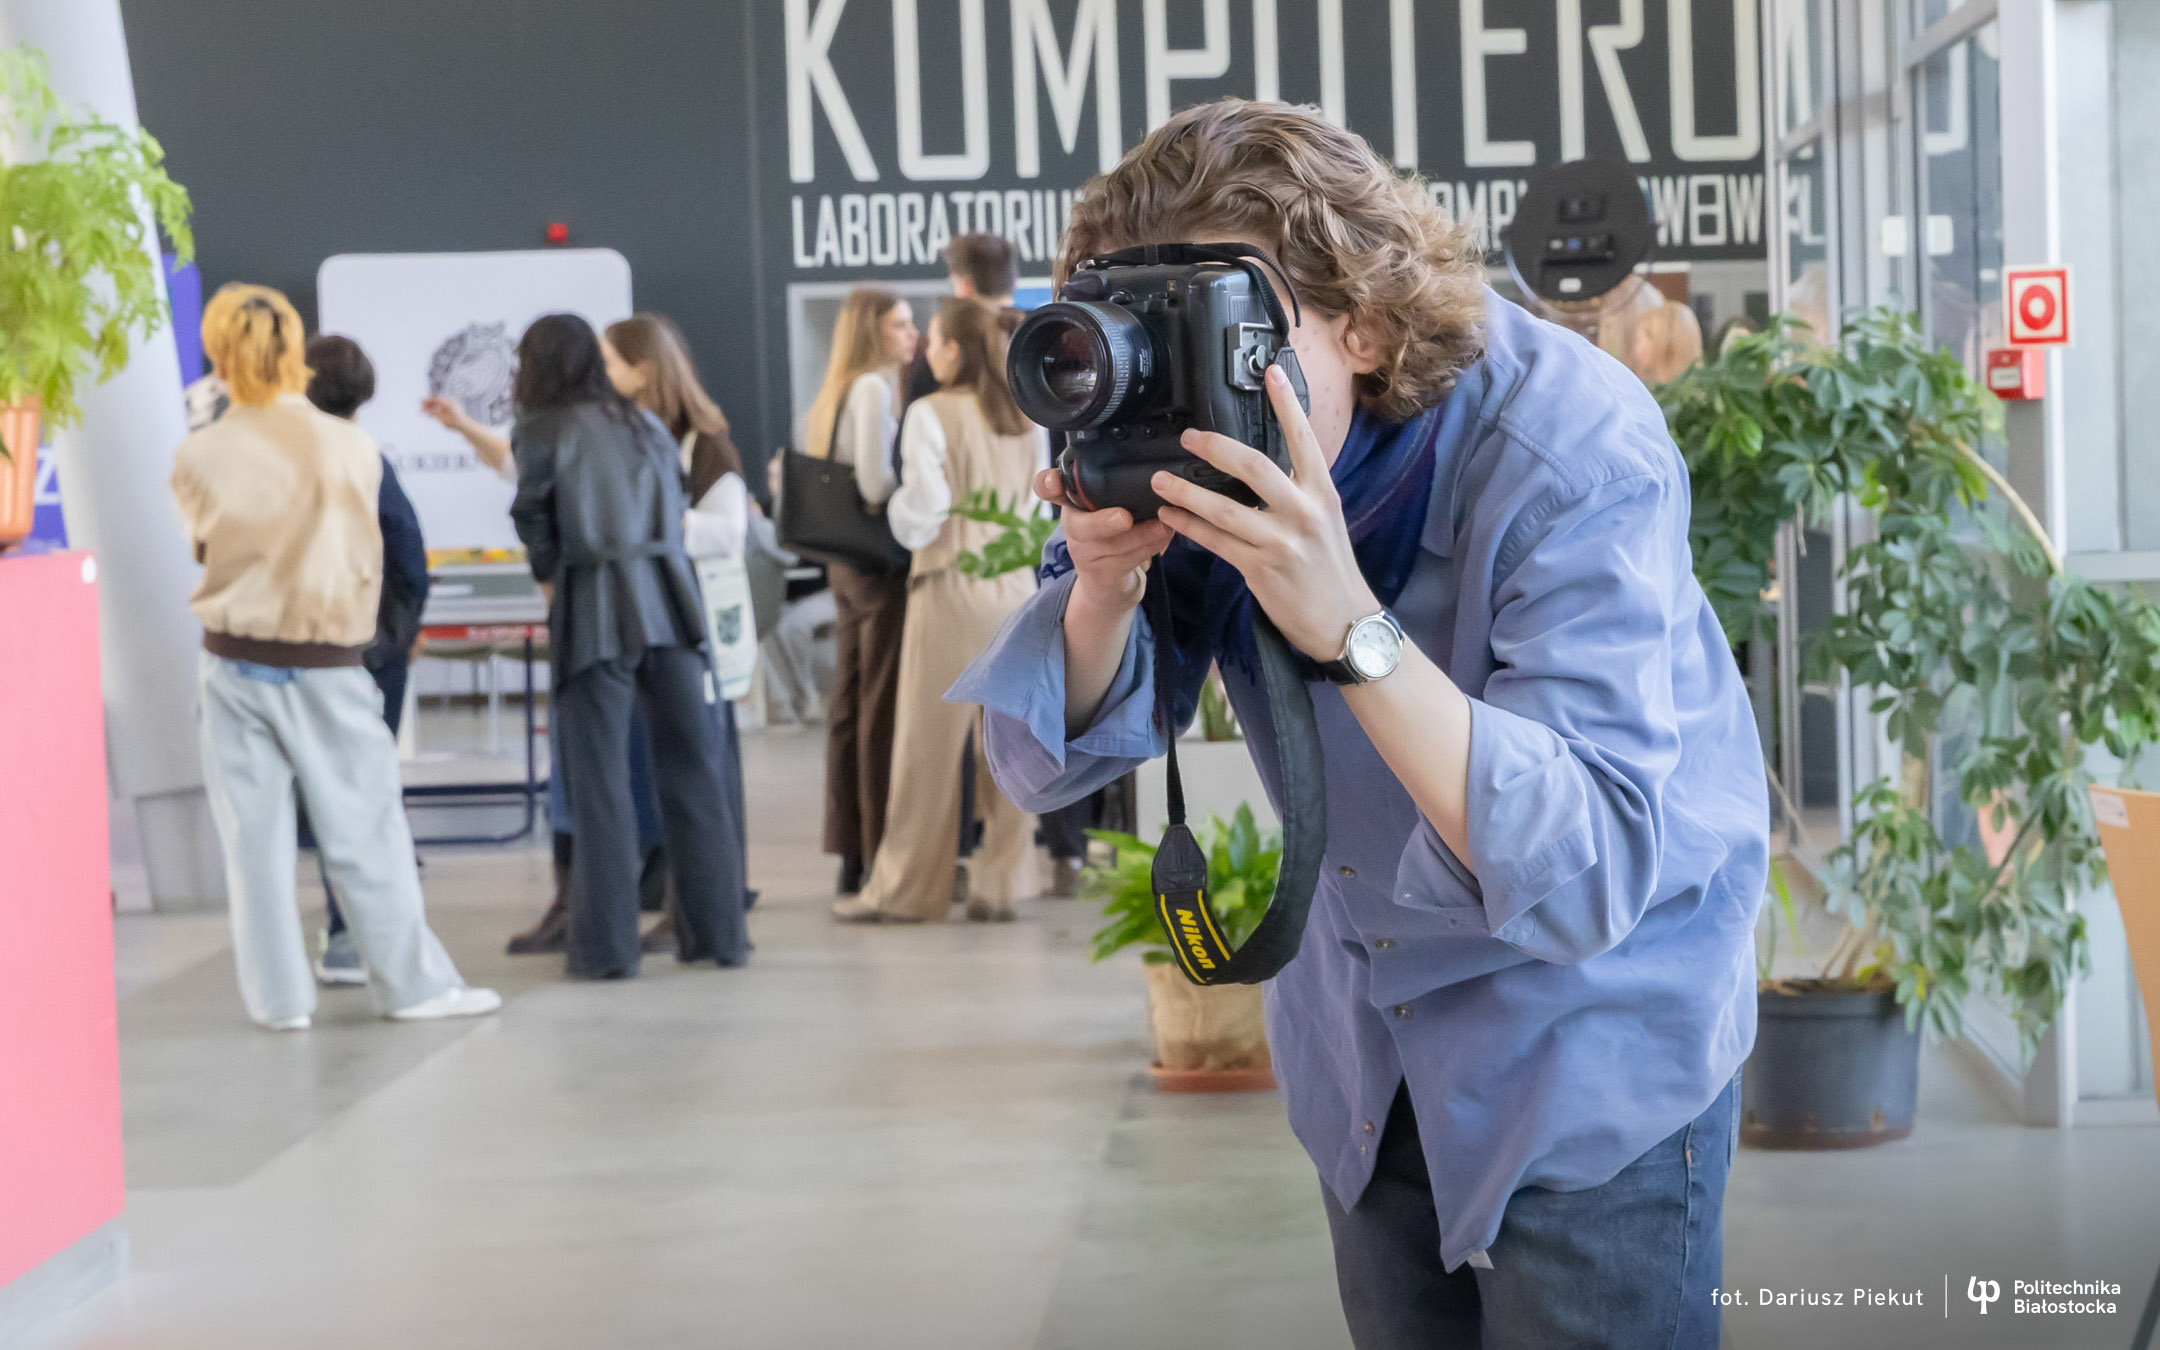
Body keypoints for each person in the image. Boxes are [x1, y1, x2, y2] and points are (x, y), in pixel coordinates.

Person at [951, 101, 1765, 1348]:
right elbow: (1036, 766)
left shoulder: (1571, 447)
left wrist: (1347, 624)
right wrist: (1104, 587)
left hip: (1589, 1037)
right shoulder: (1187, 452)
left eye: (1226, 330)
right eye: (1146, 334)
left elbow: (1589, 864)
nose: (1187, 393)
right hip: (1367, 1048)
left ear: (1369, 324)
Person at [172, 284, 500, 1030]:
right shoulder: (351, 446)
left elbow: (200, 544)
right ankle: (414, 989)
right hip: (327, 662)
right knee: (366, 834)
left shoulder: (198, 453)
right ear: (295, 350)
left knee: (253, 846)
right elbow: (371, 550)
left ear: (218, 356)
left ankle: (279, 1003)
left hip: (229, 661)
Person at [507, 313, 750, 979]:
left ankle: (606, 950)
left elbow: (535, 521)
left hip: (594, 608)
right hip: (673, 604)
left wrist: (551, 582)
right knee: (694, 773)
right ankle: (720, 936)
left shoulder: (540, 428)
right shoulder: (644, 424)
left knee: (601, 784)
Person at [833, 298, 1047, 924]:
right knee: (1010, 747)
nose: (927, 352)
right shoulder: (1027, 416)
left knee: (926, 749)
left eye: (932, 341)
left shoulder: (929, 412)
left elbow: (923, 508)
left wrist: (903, 519)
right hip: (1016, 589)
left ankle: (907, 892)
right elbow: (1039, 508)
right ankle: (1002, 884)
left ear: (954, 349)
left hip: (950, 584)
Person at [601, 312, 757, 947]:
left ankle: (708, 905)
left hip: (698, 628)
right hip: (659, 625)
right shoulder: (637, 438)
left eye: (610, 363)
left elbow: (730, 533)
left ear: (642, 370)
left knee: (705, 768)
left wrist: (656, 521)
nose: (603, 376)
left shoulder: (705, 442)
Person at [300, 334, 431, 986]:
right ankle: (369, 931)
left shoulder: (297, 467)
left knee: (331, 793)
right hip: (373, 654)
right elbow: (411, 562)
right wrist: (396, 638)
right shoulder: (371, 462)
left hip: (317, 651)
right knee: (370, 791)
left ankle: (350, 933)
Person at [805, 288, 919, 895]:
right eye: (900, 325)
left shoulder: (837, 389)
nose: (912, 335)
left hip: (844, 564)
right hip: (877, 568)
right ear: (873, 331)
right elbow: (875, 485)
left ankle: (850, 850)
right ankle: (878, 849)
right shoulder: (874, 388)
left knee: (848, 704)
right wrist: (920, 482)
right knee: (879, 707)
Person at [905, 232, 1019, 403]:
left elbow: (915, 411)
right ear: (1014, 284)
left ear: (965, 286)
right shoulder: (1037, 337)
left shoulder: (945, 348)